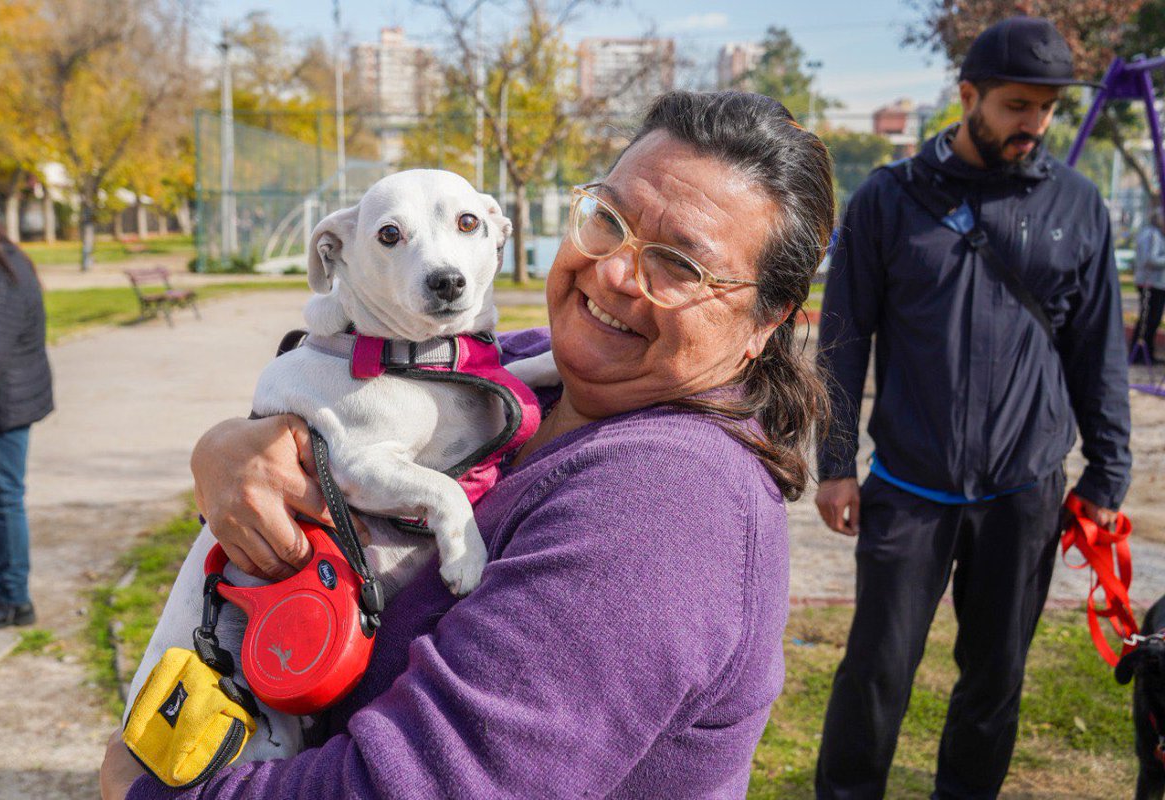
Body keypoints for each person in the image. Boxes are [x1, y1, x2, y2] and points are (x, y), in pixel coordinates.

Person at [101, 90, 836, 799]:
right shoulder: (517, 368)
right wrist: (231, 448)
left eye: (679, 263)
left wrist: (146, 795)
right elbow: (334, 398)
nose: (613, 271)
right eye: (609, 218)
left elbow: (427, 784)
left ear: (767, 322)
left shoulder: (665, 510)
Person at [813, 17, 1132, 799]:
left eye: (1047, 109)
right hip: (910, 487)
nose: (1034, 125)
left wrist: (1108, 472)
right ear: (968, 97)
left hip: (1025, 490)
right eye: (1016, 106)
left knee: (995, 679)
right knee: (876, 671)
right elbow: (843, 341)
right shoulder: (889, 200)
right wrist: (834, 465)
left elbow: (1098, 351)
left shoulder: (1078, 206)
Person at [0, 187, 54, 631]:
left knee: (5, 500)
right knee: (2, 495)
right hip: (3, 400)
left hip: (1, 406)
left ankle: (15, 600)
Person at [1132, 208, 1165, 365]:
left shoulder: (1158, 234)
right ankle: (1138, 353)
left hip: (1158, 283)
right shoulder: (1150, 234)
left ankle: (1148, 353)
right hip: (1149, 283)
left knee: (1153, 319)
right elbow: (1149, 259)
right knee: (1148, 319)